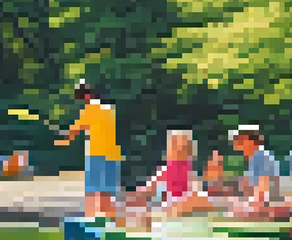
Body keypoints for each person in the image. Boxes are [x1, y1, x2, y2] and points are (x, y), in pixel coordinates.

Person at [56, 81, 121, 218]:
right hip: (113, 155)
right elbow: (92, 126)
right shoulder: (109, 109)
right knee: (107, 194)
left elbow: (72, 133)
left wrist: (62, 139)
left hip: (96, 154)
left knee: (92, 193)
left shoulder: (88, 111)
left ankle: (90, 223)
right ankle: (112, 225)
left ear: (85, 96)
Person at [129, 130, 203, 224]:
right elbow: (146, 190)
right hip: (167, 211)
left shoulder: (191, 175)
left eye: (183, 149)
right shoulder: (165, 171)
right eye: (175, 147)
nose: (178, 152)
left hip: (180, 212)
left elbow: (196, 198)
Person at [230, 126, 288, 219]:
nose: (236, 144)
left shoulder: (261, 157)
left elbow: (263, 188)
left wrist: (251, 207)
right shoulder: (253, 159)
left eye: (240, 140)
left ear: (251, 141)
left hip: (269, 204)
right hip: (261, 203)